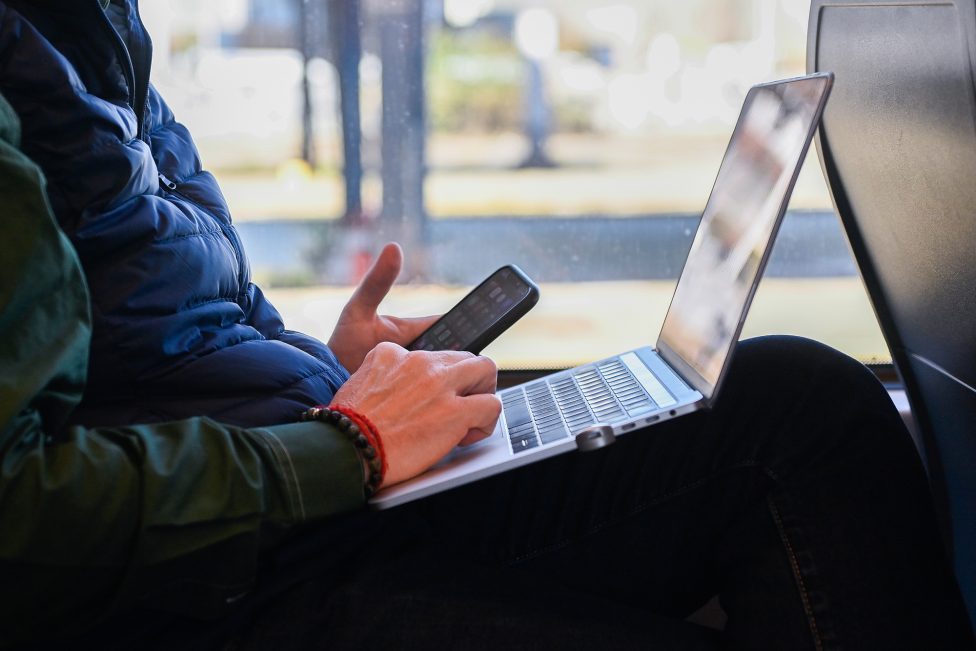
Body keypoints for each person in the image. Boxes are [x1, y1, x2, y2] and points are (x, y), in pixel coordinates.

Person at [0, 2, 973, 649]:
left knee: (796, 405)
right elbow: (20, 513)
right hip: (202, 581)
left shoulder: (87, 26)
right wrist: (348, 444)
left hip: (295, 494)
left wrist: (329, 371)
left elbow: (167, 320)